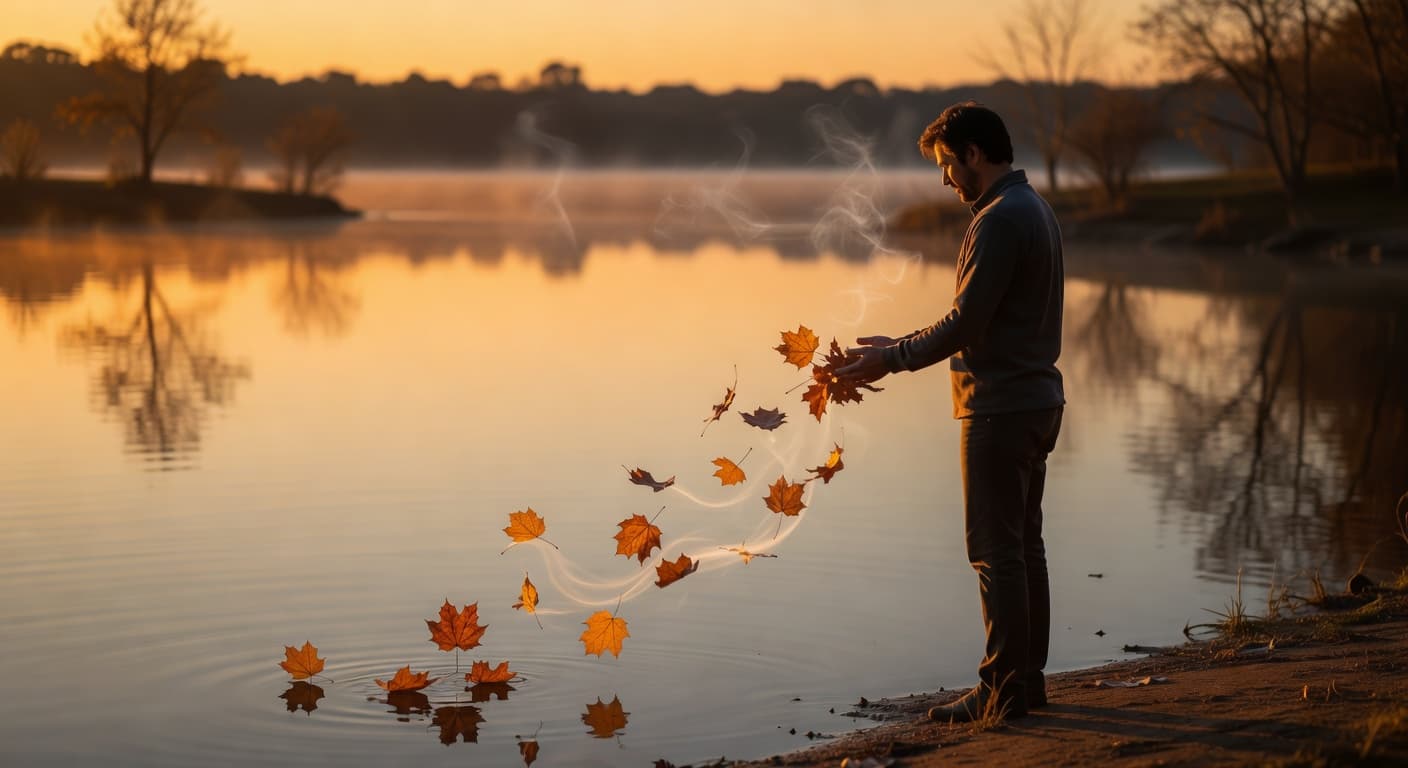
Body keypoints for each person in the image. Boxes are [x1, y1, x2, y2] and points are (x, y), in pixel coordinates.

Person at [835, 101, 1065, 722]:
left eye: (946, 165)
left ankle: (1002, 688)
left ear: (973, 154)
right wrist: (898, 344)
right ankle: (1026, 681)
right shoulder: (1034, 208)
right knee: (1023, 549)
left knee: (995, 552)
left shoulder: (998, 219)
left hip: (1000, 408)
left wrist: (895, 360)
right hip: (1037, 401)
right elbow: (979, 317)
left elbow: (966, 322)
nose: (945, 179)